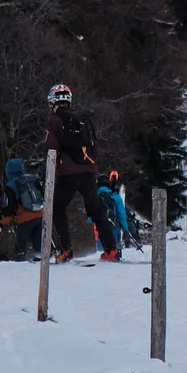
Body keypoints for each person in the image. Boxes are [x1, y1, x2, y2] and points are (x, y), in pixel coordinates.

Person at [44, 84, 116, 262]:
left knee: (57, 208)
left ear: (52, 101)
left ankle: (65, 250)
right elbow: (94, 146)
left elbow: (51, 148)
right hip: (89, 170)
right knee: (96, 209)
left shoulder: (54, 120)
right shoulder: (83, 118)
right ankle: (111, 249)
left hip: (68, 172)